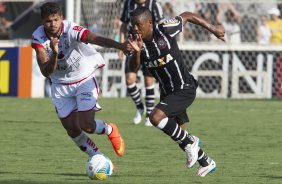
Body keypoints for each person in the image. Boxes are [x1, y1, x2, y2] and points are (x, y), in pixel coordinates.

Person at [128, 7, 225, 177]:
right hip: (167, 93)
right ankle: (206, 162)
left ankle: (192, 142)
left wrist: (214, 29)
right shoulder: (135, 41)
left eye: (138, 24)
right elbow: (132, 68)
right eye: (132, 25)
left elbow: (187, 16)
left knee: (155, 117)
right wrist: (136, 52)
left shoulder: (165, 30)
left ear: (149, 23)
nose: (135, 28)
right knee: (180, 135)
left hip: (184, 88)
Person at [31, 2, 129, 161]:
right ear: (42, 21)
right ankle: (98, 159)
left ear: (61, 18)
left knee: (87, 126)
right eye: (49, 21)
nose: (53, 24)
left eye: (56, 19)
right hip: (60, 86)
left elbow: (95, 38)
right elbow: (45, 71)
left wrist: (120, 46)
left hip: (83, 79)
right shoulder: (38, 38)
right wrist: (55, 54)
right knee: (72, 130)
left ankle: (110, 129)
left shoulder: (70, 29)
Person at [119, 0, 164, 126]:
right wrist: (121, 45)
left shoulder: (154, 5)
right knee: (129, 79)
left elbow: (161, 26)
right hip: (133, 45)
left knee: (148, 80)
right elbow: (123, 25)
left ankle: (150, 114)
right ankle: (140, 107)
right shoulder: (129, 3)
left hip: (150, 47)